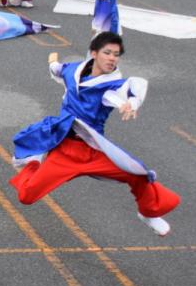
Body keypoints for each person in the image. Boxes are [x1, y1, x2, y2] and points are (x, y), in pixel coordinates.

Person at [10, 32, 180, 235]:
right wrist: (52, 61)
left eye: (116, 55)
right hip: (64, 150)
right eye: (107, 53)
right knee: (26, 196)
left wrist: (131, 104)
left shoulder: (113, 85)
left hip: (93, 151)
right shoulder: (73, 71)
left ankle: (148, 212)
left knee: (138, 174)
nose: (112, 58)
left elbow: (133, 88)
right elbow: (57, 70)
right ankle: (32, 163)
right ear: (93, 54)